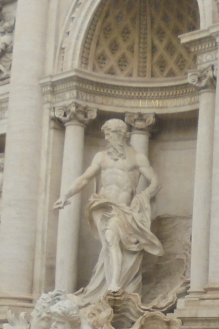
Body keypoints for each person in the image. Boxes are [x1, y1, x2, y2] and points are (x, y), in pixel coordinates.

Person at [54, 118, 162, 303]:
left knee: (113, 238)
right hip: (101, 204)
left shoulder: (137, 157)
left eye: (110, 133)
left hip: (123, 207)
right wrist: (66, 195)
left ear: (121, 134)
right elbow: (84, 178)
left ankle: (114, 283)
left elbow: (155, 183)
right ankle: (109, 283)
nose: (106, 137)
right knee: (109, 244)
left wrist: (142, 197)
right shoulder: (101, 156)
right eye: (105, 133)